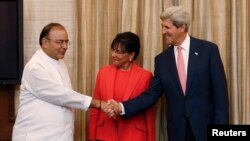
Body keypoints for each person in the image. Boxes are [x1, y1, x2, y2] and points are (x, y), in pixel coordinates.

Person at [108, 6, 229, 141]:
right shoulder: (162, 60)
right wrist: (121, 107)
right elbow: (151, 95)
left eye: (167, 27)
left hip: (205, 128)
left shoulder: (208, 51)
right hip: (178, 132)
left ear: (182, 27)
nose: (163, 31)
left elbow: (220, 96)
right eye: (162, 26)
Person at [12, 23, 109, 141]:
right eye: (59, 42)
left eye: (66, 42)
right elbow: (62, 95)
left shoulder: (60, 63)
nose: (65, 46)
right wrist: (98, 104)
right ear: (45, 43)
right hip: (36, 136)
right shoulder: (35, 67)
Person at [88, 32, 156, 141]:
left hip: (134, 136)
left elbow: (149, 113)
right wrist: (91, 136)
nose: (113, 55)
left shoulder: (146, 76)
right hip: (105, 134)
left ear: (131, 55)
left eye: (118, 52)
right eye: (113, 50)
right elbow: (96, 107)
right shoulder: (103, 73)